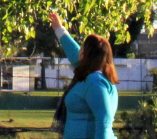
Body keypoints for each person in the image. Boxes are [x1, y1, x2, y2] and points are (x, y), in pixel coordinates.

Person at [49, 11, 119, 139]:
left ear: (88, 55)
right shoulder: (94, 76)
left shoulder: (95, 82)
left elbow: (104, 119)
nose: (79, 50)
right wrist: (59, 29)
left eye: (83, 48)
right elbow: (75, 55)